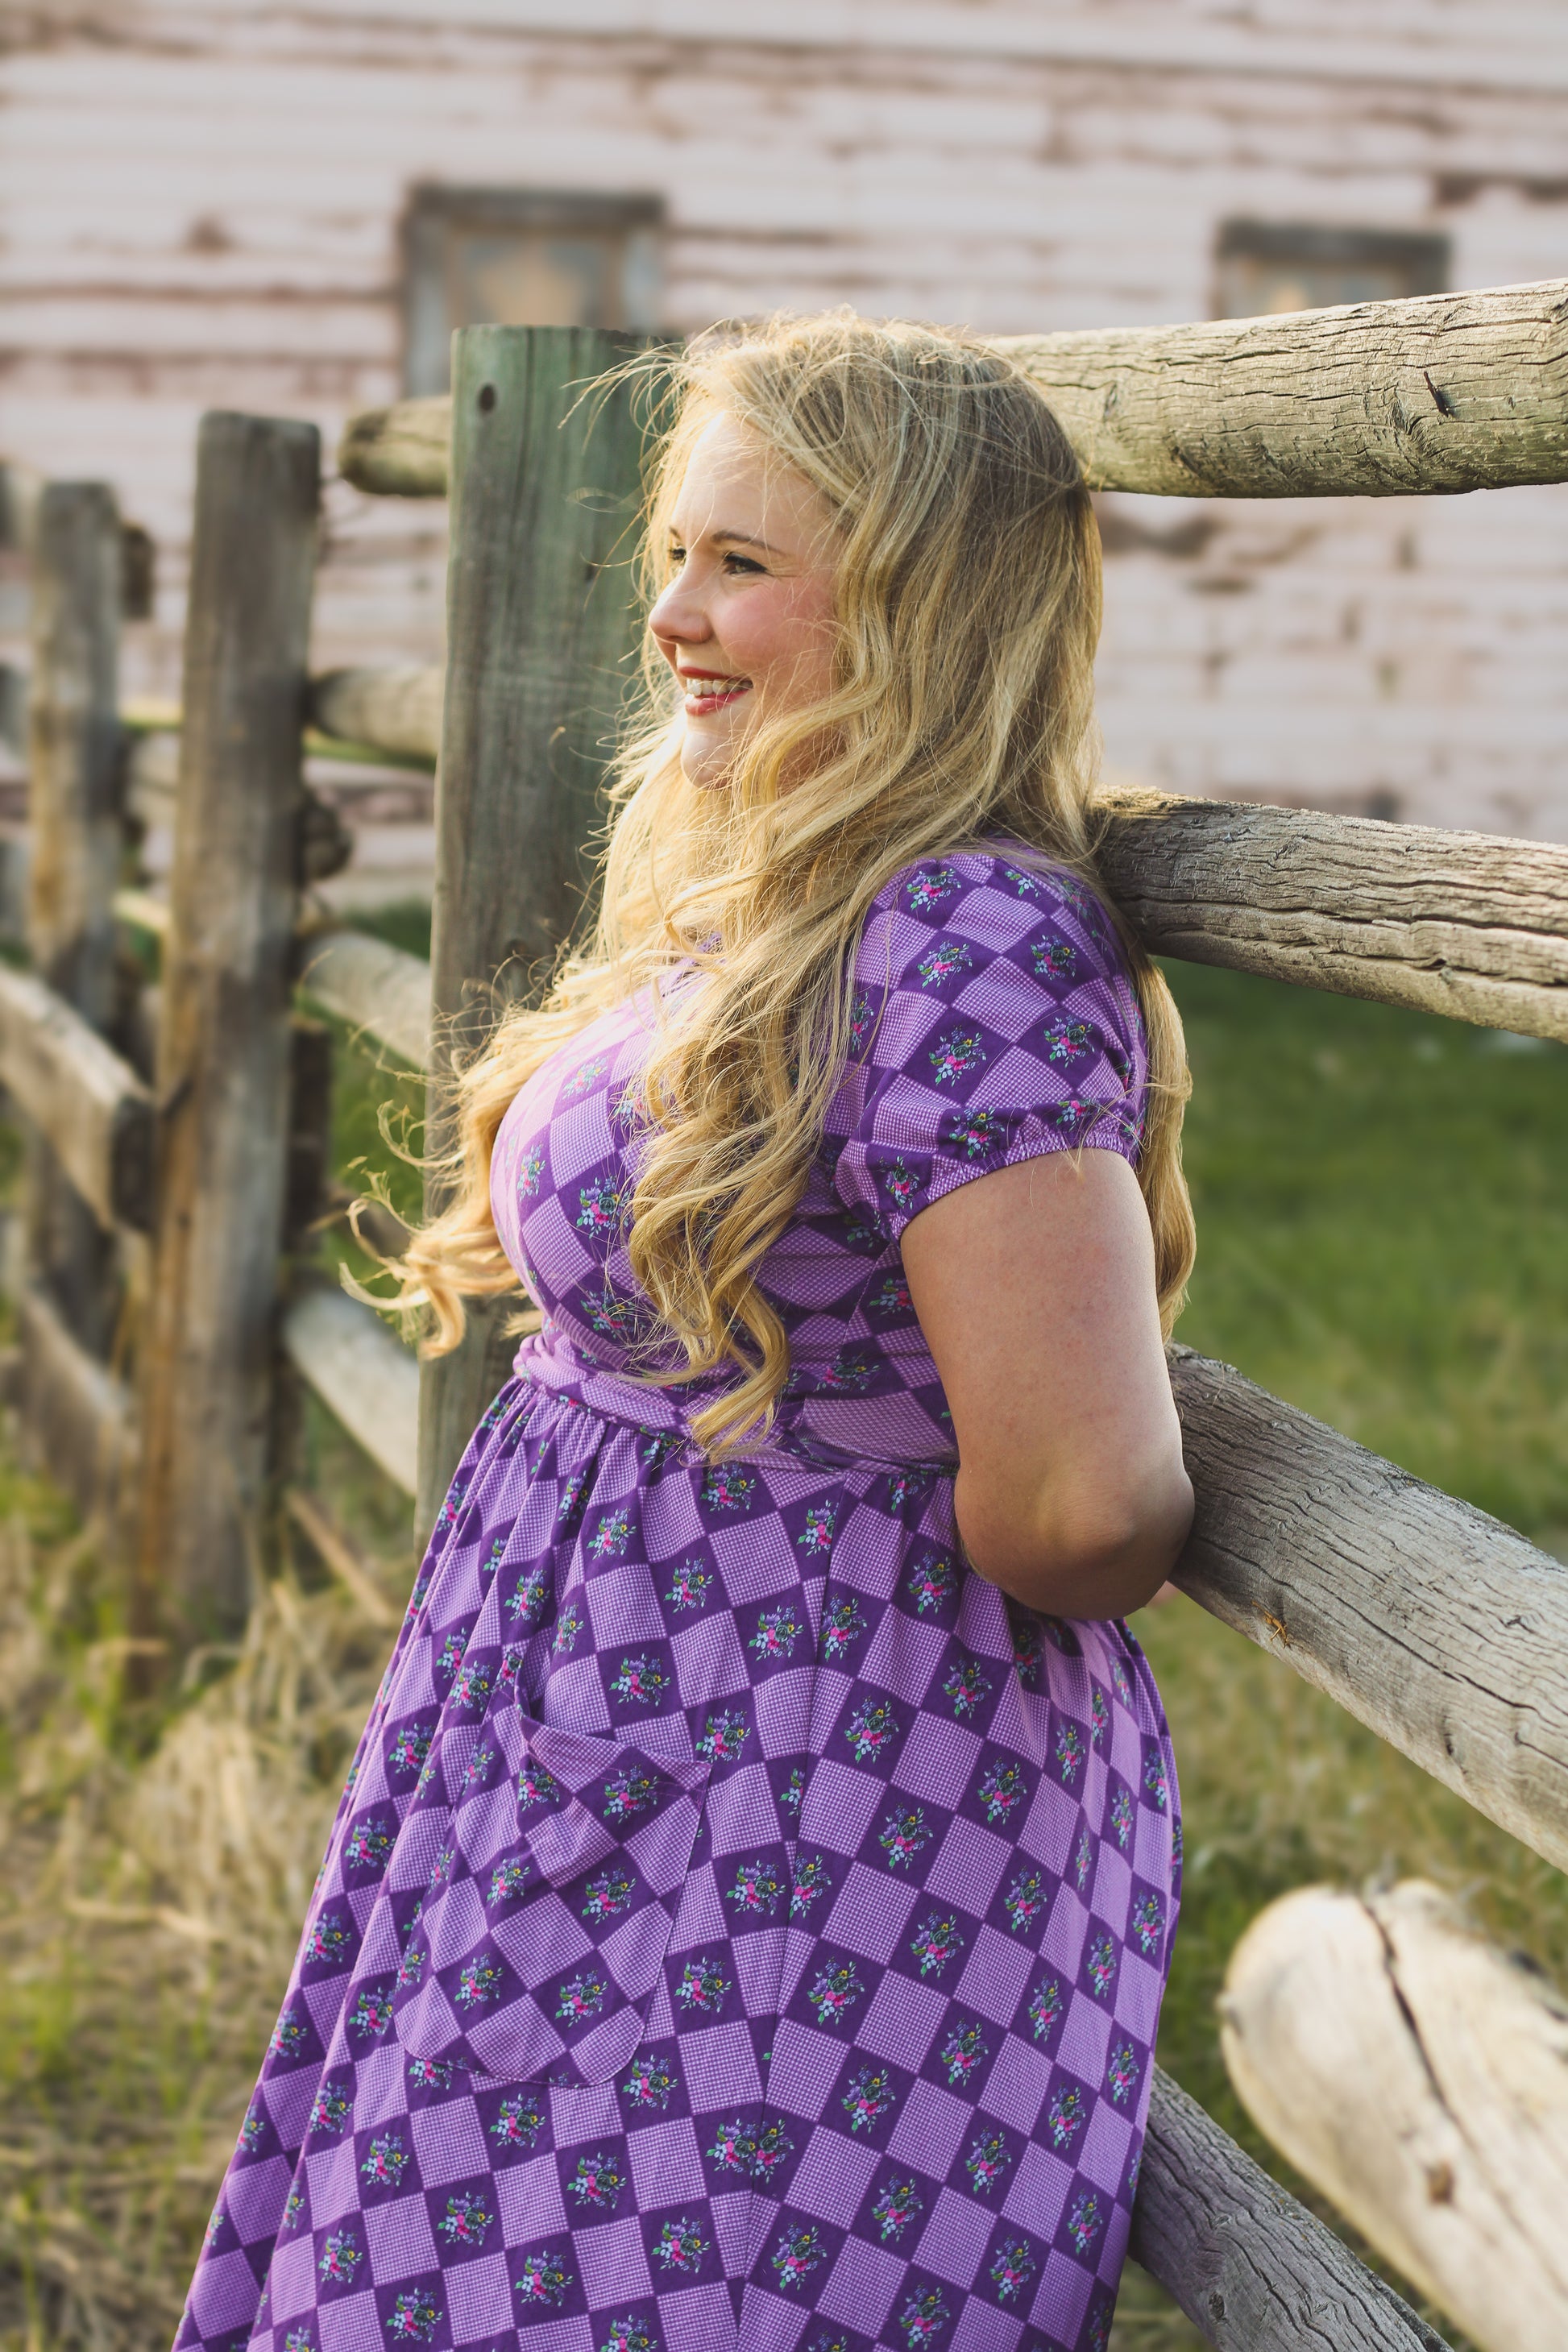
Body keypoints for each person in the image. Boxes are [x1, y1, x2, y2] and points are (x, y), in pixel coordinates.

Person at [178, 313, 1196, 2352]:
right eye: (674, 553)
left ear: (925, 595)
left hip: (800, 1796)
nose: (673, 614)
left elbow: (1083, 1495)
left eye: (744, 562)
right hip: (609, 1740)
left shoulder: (959, 933)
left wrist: (796, 1542)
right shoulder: (797, 884)